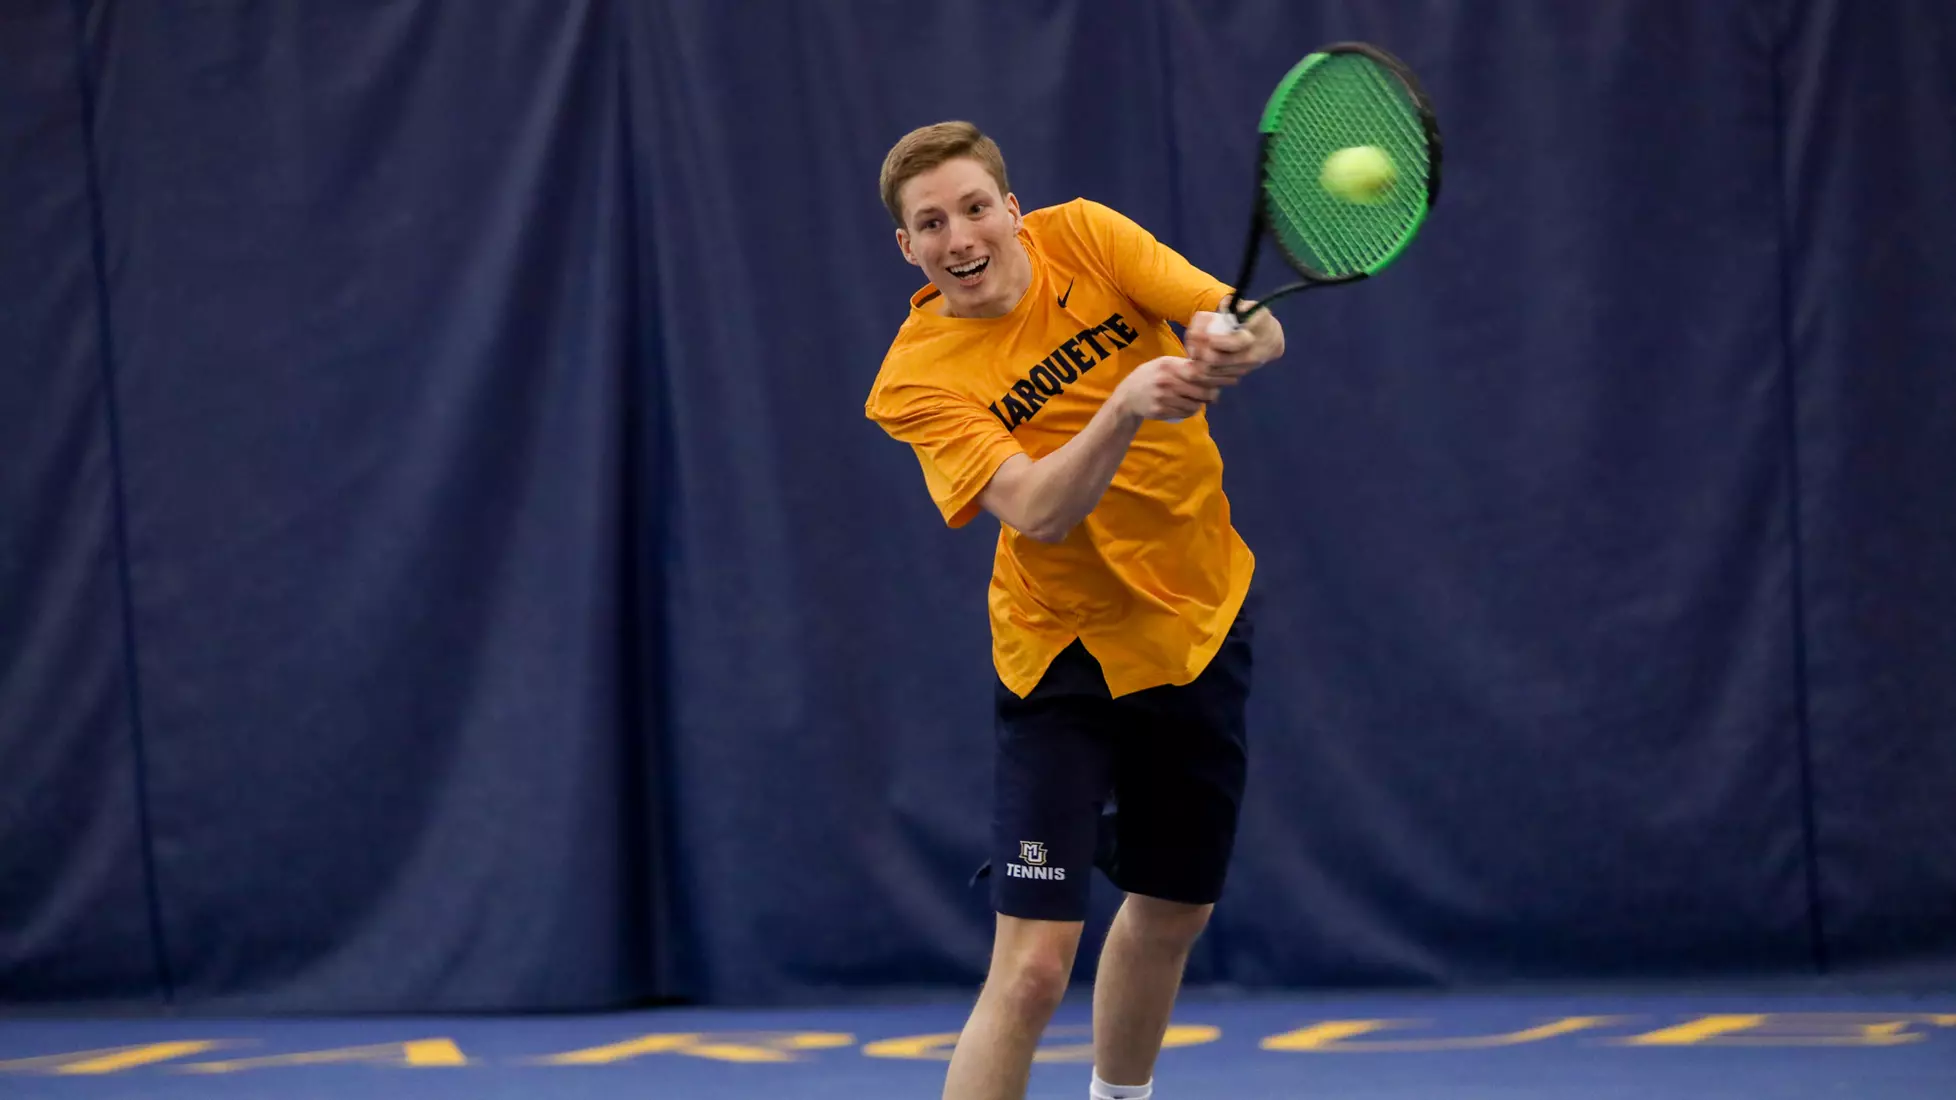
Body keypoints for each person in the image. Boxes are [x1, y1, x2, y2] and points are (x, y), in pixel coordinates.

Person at [863, 120, 1285, 1100]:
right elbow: (1039, 509)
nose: (961, 236)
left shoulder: (1089, 236)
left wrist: (1234, 339)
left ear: (1013, 210)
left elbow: (1260, 327)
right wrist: (1127, 403)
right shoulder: (916, 377)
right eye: (933, 223)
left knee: (1172, 912)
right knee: (1034, 966)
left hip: (1194, 624)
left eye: (975, 207)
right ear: (909, 248)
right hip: (1062, 654)